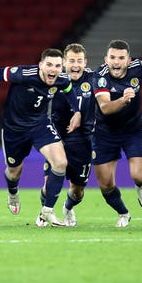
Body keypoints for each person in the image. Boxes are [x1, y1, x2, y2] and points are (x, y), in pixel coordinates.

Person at [0, 48, 82, 226]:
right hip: (15, 129)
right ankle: (13, 192)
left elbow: (68, 90)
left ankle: (47, 211)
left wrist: (77, 111)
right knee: (14, 172)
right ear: (40, 65)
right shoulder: (24, 74)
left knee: (60, 163)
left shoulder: (62, 79)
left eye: (58, 66)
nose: (53, 69)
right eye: (49, 65)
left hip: (40, 125)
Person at [91, 40, 142, 228]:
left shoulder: (138, 67)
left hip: (133, 130)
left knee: (139, 176)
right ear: (106, 59)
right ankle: (123, 212)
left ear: (128, 60)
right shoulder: (100, 76)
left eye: (121, 58)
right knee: (105, 184)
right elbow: (104, 107)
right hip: (105, 133)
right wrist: (123, 100)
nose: (116, 62)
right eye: (112, 58)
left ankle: (141, 186)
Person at [39, 43, 95, 227]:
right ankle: (44, 214)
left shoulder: (94, 79)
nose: (75, 65)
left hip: (83, 139)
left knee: (78, 190)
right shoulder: (53, 78)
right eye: (71, 61)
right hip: (57, 136)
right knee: (49, 186)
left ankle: (68, 207)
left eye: (79, 61)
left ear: (85, 62)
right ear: (64, 62)